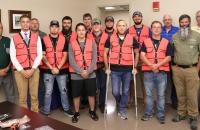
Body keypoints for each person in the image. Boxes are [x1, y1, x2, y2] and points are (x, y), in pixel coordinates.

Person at [104, 20, 139, 120]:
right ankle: (120, 104)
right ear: (116, 27)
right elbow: (105, 53)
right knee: (115, 91)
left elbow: (137, 53)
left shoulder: (132, 38)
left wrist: (135, 67)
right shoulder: (110, 38)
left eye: (123, 25)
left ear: (126, 27)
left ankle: (122, 109)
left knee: (126, 90)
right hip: (114, 69)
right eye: (119, 25)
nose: (121, 27)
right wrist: (107, 68)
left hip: (128, 70)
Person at [140, 21, 173, 124]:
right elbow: (142, 55)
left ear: (161, 29)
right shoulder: (145, 42)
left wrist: (157, 65)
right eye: (154, 27)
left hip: (161, 73)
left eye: (159, 27)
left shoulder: (166, 42)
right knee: (149, 95)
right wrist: (151, 65)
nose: (156, 29)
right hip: (148, 73)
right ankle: (148, 113)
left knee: (161, 95)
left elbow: (169, 57)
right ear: (151, 29)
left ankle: (161, 115)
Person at [39, 20, 74, 117]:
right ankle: (46, 111)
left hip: (61, 70)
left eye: (56, 27)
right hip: (48, 70)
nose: (54, 29)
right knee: (48, 92)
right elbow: (43, 55)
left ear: (58, 28)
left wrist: (58, 67)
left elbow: (65, 55)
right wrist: (51, 68)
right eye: (52, 27)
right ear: (49, 28)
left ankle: (66, 109)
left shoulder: (63, 39)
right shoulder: (44, 39)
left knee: (63, 91)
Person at [171, 14, 200, 130]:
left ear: (189, 22)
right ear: (179, 23)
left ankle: (193, 117)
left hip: (191, 69)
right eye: (182, 22)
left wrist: (197, 69)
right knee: (180, 93)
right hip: (177, 70)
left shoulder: (197, 36)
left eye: (186, 22)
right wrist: (174, 67)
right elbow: (171, 53)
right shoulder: (174, 37)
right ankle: (181, 113)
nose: (184, 24)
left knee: (192, 95)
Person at [10, 15, 43, 112]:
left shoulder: (37, 37)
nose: (25, 24)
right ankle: (24, 119)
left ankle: (35, 118)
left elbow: (39, 54)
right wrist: (22, 70)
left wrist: (33, 69)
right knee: (22, 98)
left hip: (34, 70)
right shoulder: (14, 38)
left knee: (34, 96)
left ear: (30, 23)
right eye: (23, 22)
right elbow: (13, 56)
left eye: (27, 22)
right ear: (20, 23)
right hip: (20, 72)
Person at [69, 23, 98, 123]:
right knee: (76, 95)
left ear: (86, 31)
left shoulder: (92, 42)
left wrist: (88, 71)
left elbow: (95, 58)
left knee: (91, 94)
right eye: (79, 30)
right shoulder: (71, 43)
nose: (81, 32)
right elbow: (71, 60)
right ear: (76, 31)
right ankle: (76, 113)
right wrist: (81, 72)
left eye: (83, 30)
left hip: (90, 73)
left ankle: (92, 111)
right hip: (76, 74)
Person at [128, 11, 150, 106]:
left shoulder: (148, 29)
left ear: (142, 17)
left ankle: (145, 99)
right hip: (132, 57)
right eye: (135, 17)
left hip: (144, 58)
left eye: (139, 16)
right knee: (131, 80)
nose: (137, 18)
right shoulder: (128, 30)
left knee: (144, 80)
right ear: (133, 18)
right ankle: (131, 98)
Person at [88, 18, 109, 113]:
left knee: (103, 86)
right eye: (94, 24)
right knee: (93, 86)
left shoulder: (107, 36)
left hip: (103, 65)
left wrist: (107, 65)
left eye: (98, 24)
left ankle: (102, 104)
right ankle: (93, 105)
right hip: (92, 66)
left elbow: (110, 53)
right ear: (92, 26)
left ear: (101, 25)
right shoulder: (87, 36)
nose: (96, 26)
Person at [161, 14, 179, 109]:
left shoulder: (177, 30)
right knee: (162, 82)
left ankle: (174, 102)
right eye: (165, 20)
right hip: (162, 60)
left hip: (173, 60)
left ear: (171, 20)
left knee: (174, 82)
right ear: (163, 21)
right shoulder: (160, 29)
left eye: (169, 19)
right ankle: (161, 102)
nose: (167, 21)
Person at [30, 18, 46, 108]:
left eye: (36, 23)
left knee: (42, 87)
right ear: (30, 25)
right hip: (30, 66)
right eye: (33, 23)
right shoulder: (26, 35)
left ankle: (41, 106)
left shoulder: (44, 35)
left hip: (43, 66)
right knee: (31, 88)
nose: (35, 25)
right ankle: (30, 107)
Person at [0, 22, 15, 103]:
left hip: (7, 72)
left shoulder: (7, 40)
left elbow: (12, 56)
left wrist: (8, 68)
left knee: (11, 95)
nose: (0, 30)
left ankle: (12, 113)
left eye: (1, 28)